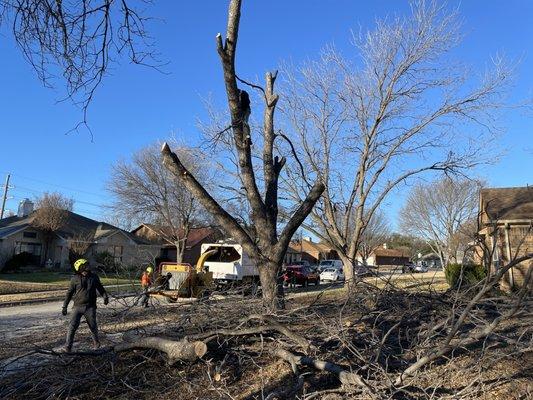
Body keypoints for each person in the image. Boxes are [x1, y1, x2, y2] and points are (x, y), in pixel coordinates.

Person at [62, 258, 109, 352]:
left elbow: (100, 288)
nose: (88, 266)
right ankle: (68, 346)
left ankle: (96, 343)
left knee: (93, 326)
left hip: (90, 307)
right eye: (86, 265)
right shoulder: (74, 279)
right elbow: (69, 293)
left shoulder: (94, 277)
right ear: (80, 268)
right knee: (72, 326)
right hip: (77, 307)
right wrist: (64, 306)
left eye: (88, 265)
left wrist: (105, 296)